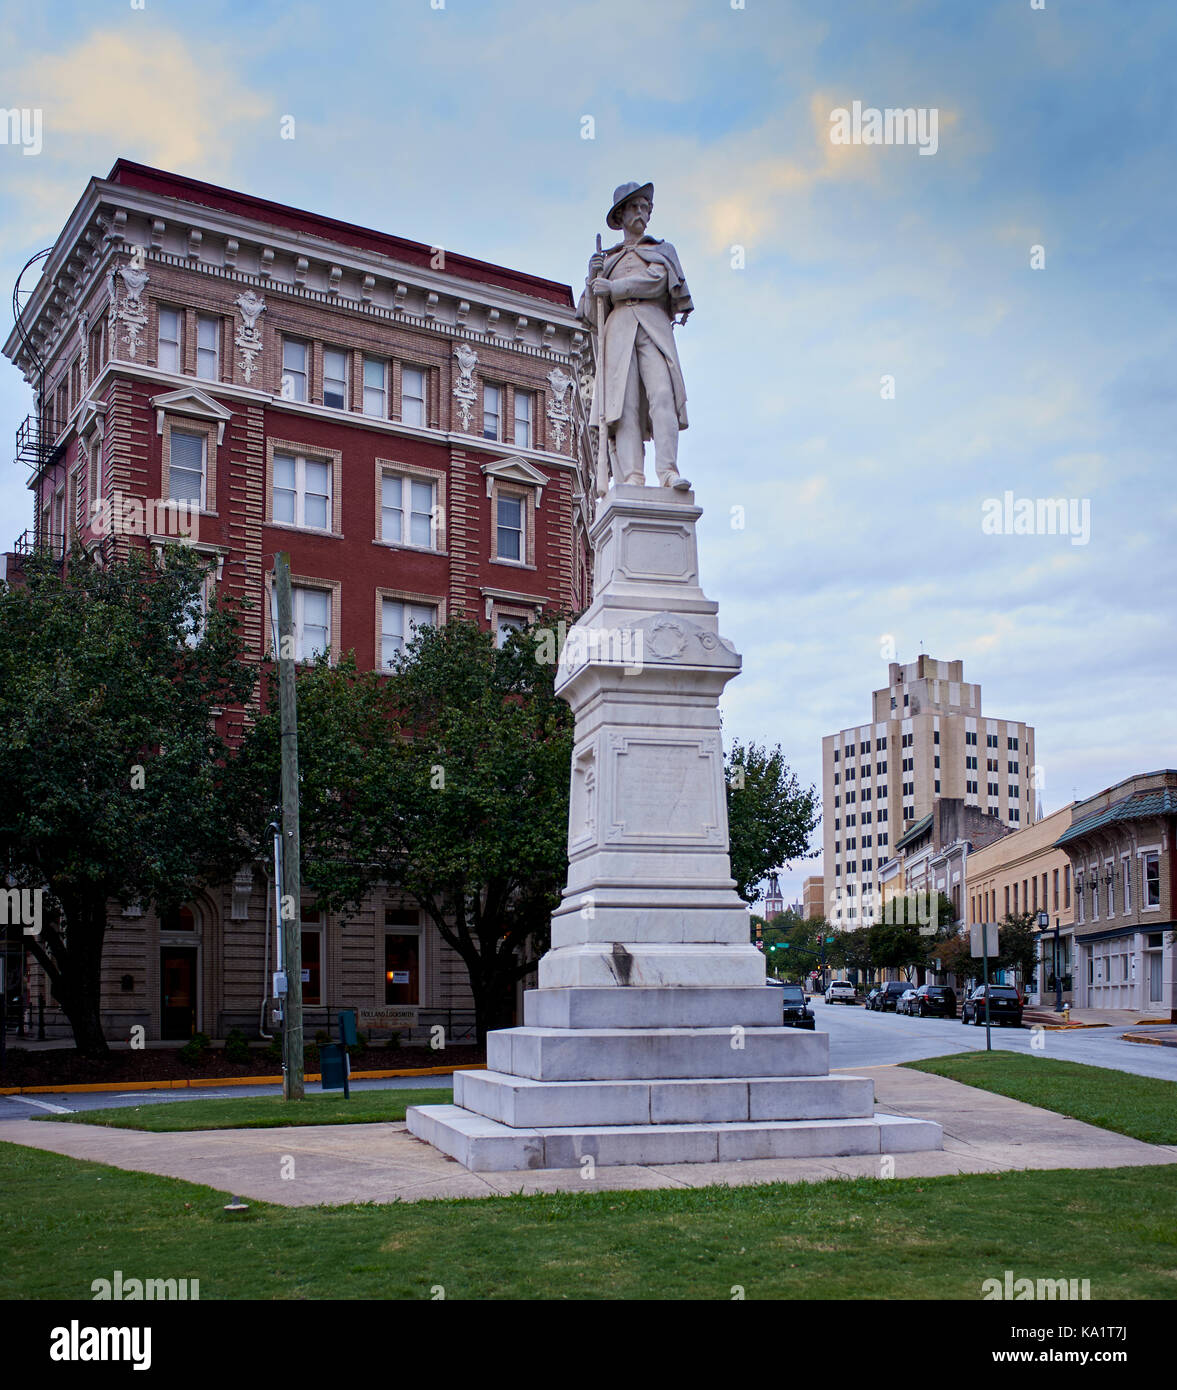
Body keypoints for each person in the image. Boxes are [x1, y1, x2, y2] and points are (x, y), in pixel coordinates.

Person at [578, 181, 693, 490]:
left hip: (653, 325)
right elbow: (589, 314)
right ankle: (632, 475)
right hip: (617, 331)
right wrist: (592, 280)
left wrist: (613, 288)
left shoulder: (661, 251)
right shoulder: (608, 260)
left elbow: (657, 282)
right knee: (623, 405)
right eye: (635, 207)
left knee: (662, 396)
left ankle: (668, 471)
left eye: (646, 207)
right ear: (621, 214)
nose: (642, 213)